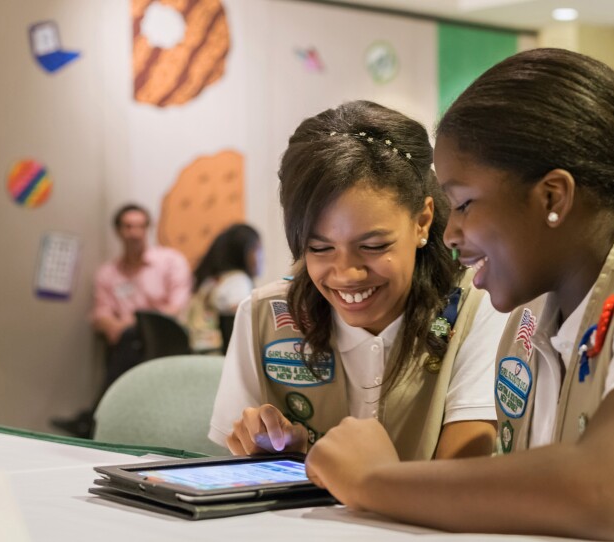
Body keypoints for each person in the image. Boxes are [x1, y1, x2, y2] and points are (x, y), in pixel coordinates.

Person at [304, 49, 614, 540]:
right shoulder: (537, 311)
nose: (451, 235)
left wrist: (373, 481)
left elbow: (609, 494)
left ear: (553, 197)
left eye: (465, 204)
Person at [208, 100, 510, 461]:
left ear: (422, 221)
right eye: (319, 248)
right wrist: (273, 451)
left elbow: (461, 478)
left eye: (372, 245)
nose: (346, 274)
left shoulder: (476, 307)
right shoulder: (266, 316)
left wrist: (349, 474)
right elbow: (234, 474)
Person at [52, 203, 192, 438]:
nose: (135, 233)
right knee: (127, 339)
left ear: (148, 228)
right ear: (118, 231)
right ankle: (104, 419)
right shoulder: (108, 273)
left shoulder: (170, 262)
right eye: (128, 227)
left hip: (166, 338)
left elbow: (174, 309)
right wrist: (114, 326)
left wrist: (129, 325)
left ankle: (93, 417)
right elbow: (101, 314)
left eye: (139, 226)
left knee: (129, 336)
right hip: (127, 342)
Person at [185, 223, 262, 353]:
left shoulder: (211, 280)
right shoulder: (238, 282)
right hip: (218, 356)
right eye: (258, 249)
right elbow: (243, 320)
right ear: (246, 252)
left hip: (196, 351)